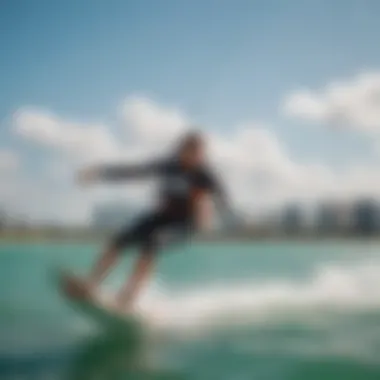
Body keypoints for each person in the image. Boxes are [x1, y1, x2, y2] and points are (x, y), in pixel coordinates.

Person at [63, 131, 233, 313]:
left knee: (152, 243)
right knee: (120, 240)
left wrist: (216, 219)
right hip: (161, 217)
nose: (194, 158)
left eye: (198, 154)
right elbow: (133, 172)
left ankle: (128, 296)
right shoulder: (168, 166)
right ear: (181, 150)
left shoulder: (205, 175)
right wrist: (99, 172)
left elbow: (223, 202)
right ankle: (91, 283)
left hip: (186, 224)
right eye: (189, 152)